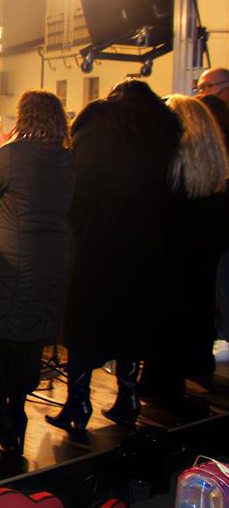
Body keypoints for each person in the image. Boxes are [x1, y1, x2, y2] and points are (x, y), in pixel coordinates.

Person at [49, 80, 181, 432]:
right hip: (146, 248)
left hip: (97, 246)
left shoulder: (98, 131)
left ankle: (78, 402)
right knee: (131, 325)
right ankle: (128, 397)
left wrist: (76, 229)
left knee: (82, 326)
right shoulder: (164, 134)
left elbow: (77, 190)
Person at [0, 90, 75, 455]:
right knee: (28, 343)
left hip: (9, 266)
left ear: (24, 116)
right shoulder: (67, 158)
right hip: (50, 264)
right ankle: (16, 415)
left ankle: (0, 417)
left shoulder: (12, 155)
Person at [140, 96, 229, 406]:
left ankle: (159, 386)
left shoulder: (167, 172)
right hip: (201, 274)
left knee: (165, 327)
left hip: (168, 273)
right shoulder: (215, 170)